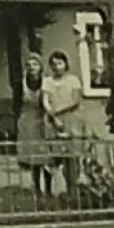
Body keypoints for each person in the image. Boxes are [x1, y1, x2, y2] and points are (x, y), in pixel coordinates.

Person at [42, 50, 88, 188]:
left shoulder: (73, 80)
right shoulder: (47, 81)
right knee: (54, 156)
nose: (57, 66)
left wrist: (58, 111)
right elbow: (45, 100)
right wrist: (52, 115)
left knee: (73, 156)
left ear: (66, 64)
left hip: (71, 119)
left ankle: (72, 187)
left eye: (60, 63)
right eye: (53, 64)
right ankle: (53, 189)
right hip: (54, 121)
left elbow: (75, 101)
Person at [15, 53, 57, 196]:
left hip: (44, 120)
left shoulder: (46, 82)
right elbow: (16, 103)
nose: (32, 68)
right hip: (28, 121)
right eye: (29, 65)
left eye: (35, 64)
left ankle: (49, 188)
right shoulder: (21, 84)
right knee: (33, 157)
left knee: (47, 156)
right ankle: (37, 188)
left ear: (40, 67)